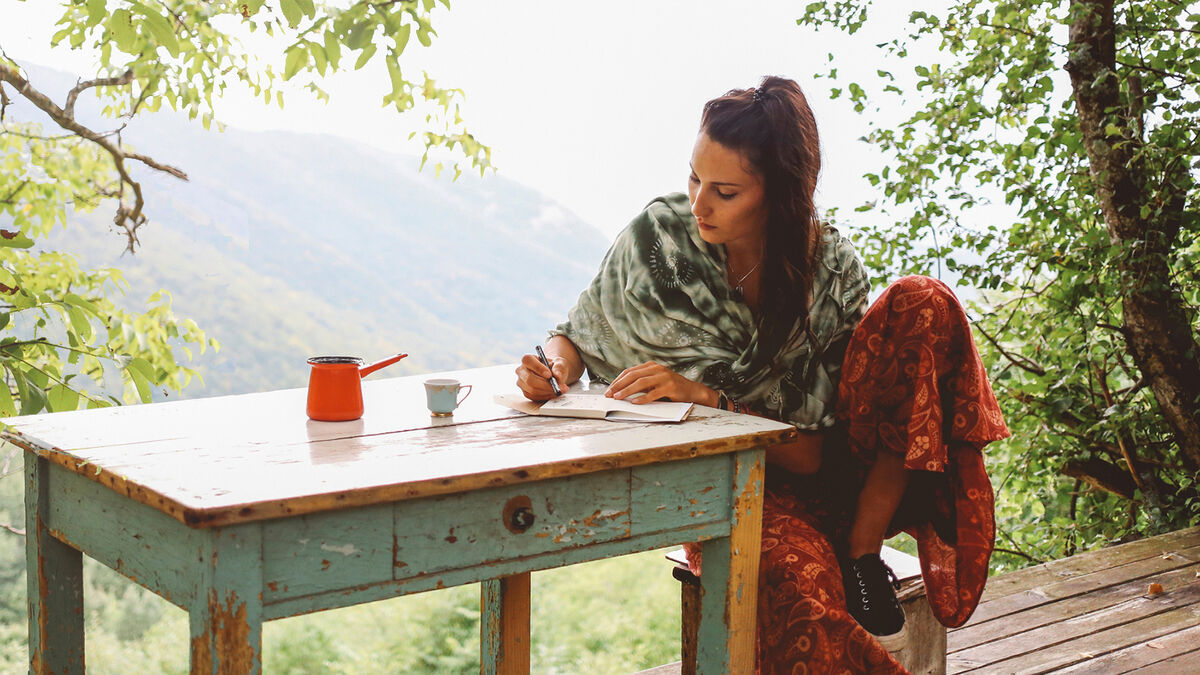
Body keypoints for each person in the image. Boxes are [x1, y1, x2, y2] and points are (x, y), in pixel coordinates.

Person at [515, 76, 1009, 674]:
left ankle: (863, 553)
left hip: (832, 463)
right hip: (738, 484)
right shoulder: (659, 239)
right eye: (694, 178)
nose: (699, 204)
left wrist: (707, 395)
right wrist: (553, 368)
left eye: (724, 191)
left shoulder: (830, 268)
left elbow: (814, 452)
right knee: (798, 600)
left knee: (923, 300)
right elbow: (579, 330)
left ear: (779, 196)